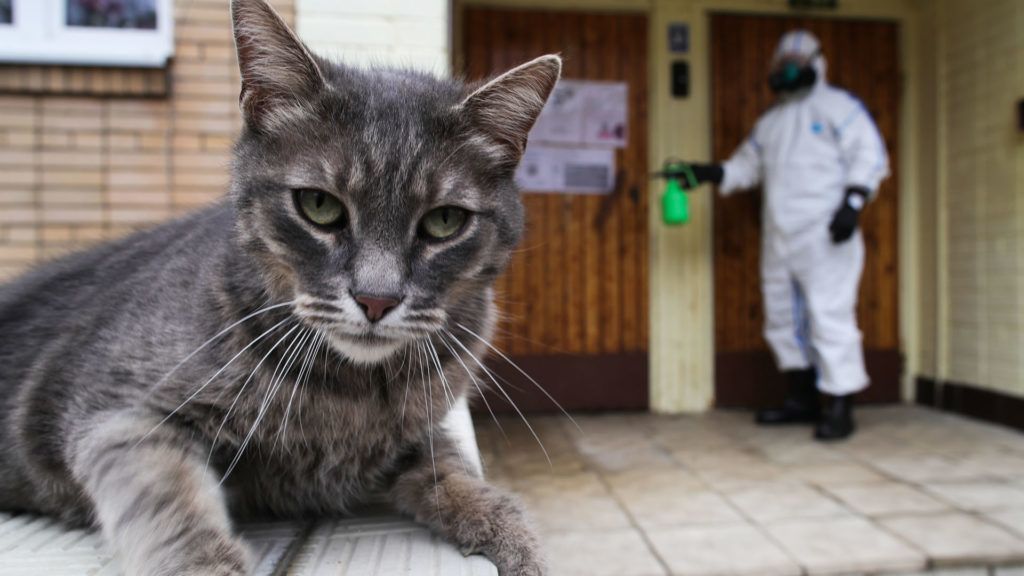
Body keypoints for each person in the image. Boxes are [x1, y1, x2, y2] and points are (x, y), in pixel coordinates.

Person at [683, 30, 889, 440]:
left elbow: (869, 155)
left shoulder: (839, 108)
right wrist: (707, 173)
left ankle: (841, 404)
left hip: (826, 232)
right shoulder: (770, 123)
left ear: (816, 62)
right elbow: (745, 167)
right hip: (779, 236)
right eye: (781, 63)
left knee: (828, 316)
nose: (787, 70)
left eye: (794, 62)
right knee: (782, 318)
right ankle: (801, 400)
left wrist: (852, 203)